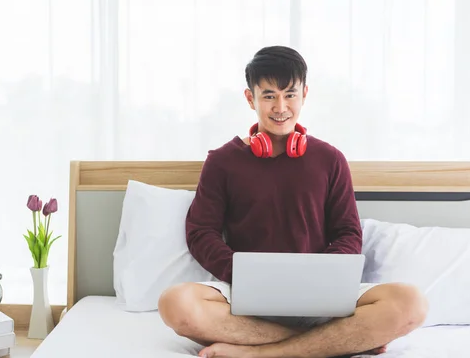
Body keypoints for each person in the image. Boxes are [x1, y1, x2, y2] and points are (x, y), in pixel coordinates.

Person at [157, 46, 428, 358]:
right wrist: (243, 274)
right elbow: (200, 232)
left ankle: (261, 353)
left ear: (304, 94)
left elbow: (348, 233)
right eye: (269, 95)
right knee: (175, 305)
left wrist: (323, 274)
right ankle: (328, 341)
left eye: (290, 94)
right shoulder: (222, 162)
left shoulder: (330, 159)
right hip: (247, 293)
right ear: (250, 99)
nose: (281, 106)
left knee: (411, 304)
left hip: (322, 293)